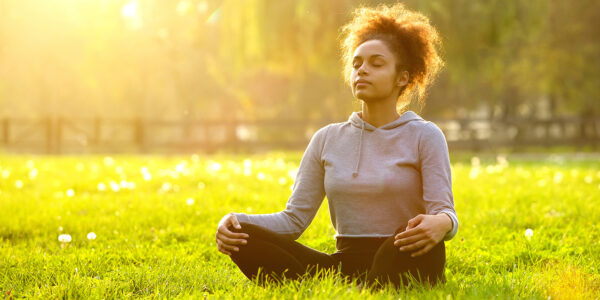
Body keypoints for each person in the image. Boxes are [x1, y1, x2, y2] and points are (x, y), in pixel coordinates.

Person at [215, 2, 458, 290]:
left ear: (402, 77)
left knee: (408, 248)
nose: (362, 70)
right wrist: (234, 221)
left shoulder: (425, 135)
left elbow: (445, 212)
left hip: (403, 252)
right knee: (244, 238)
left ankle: (368, 283)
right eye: (357, 64)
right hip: (343, 263)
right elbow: (293, 220)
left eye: (376, 64)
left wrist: (441, 224)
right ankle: (363, 285)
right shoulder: (327, 138)